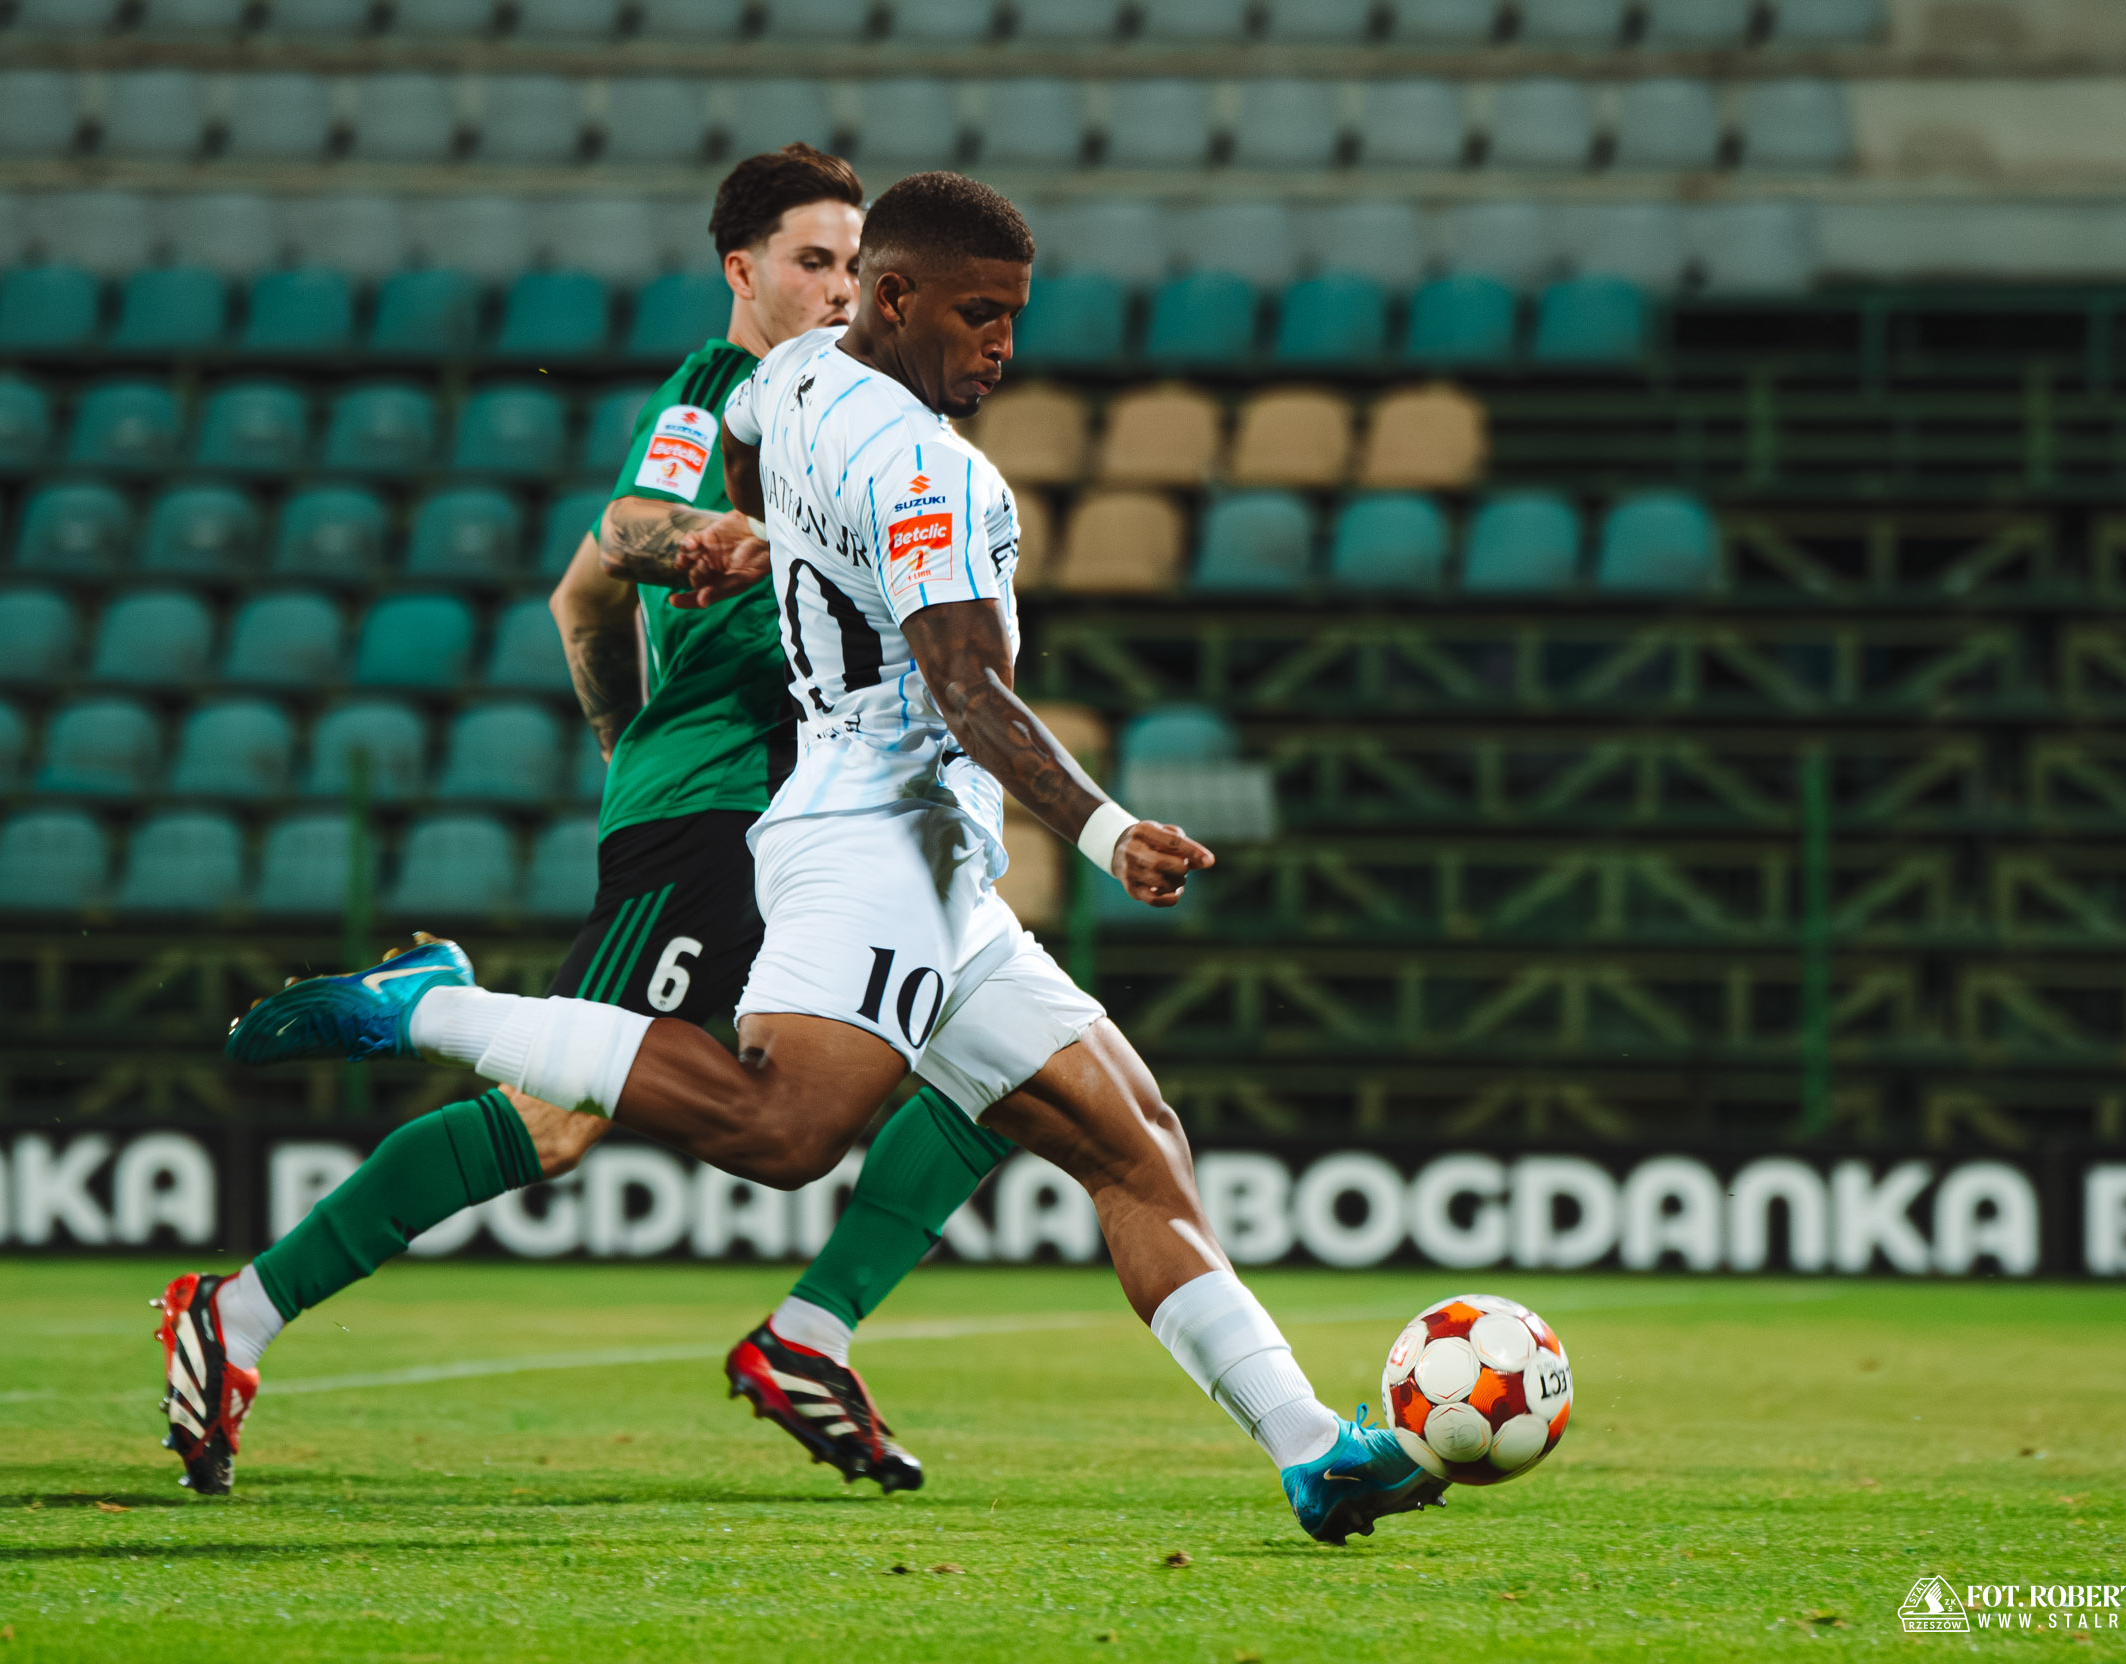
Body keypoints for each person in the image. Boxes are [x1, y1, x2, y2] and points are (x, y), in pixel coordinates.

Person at [220, 172, 1447, 1546]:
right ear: (896, 298)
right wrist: (1109, 833)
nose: (1004, 345)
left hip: (934, 856)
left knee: (1136, 1143)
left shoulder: (797, 375)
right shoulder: (931, 470)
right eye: (979, 316)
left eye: (1016, 316)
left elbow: (749, 435)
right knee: (784, 1131)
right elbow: (969, 691)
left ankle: (1311, 1452)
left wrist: (770, 538)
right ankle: (428, 1008)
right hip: (871, 832)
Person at [153, 146, 1005, 1500]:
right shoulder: (722, 392)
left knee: (1006, 1060)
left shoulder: (855, 416)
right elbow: (628, 532)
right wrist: (654, 739)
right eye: (813, 262)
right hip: (726, 802)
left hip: (838, 814)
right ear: (743, 273)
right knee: (552, 1121)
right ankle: (236, 1312)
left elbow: (576, 603)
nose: (842, 288)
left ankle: (812, 1334)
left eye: (857, 264)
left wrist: (619, 731)